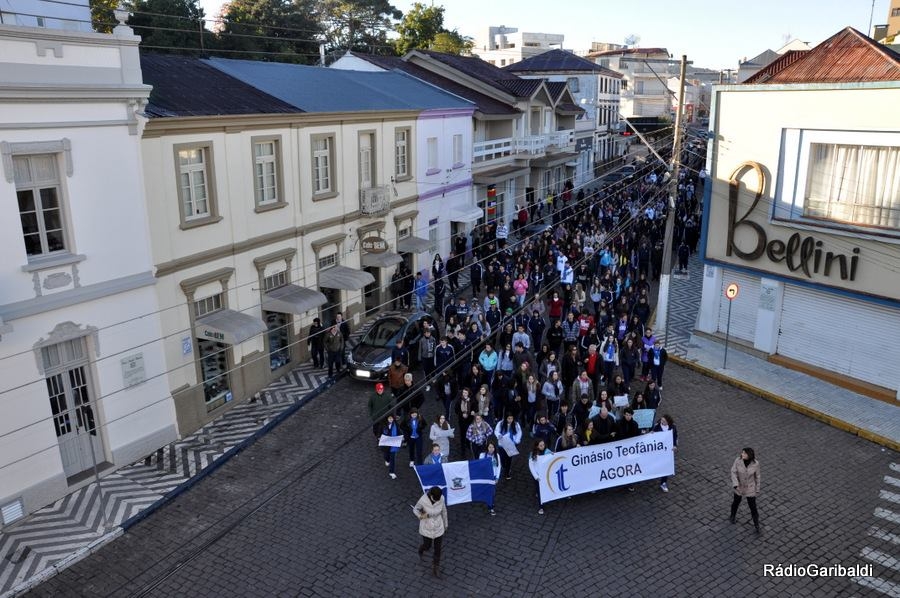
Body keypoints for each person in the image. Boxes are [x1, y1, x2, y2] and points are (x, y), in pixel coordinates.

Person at [415, 486, 449, 578]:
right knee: (427, 546)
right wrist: (422, 516)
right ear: (431, 495)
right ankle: (422, 549)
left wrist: (446, 524)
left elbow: (444, 511)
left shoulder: (441, 498)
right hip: (427, 526)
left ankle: (435, 568)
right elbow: (416, 509)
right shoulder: (423, 500)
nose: (438, 501)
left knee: (438, 549)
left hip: (438, 527)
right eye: (436, 499)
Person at [730, 447, 761, 533]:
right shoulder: (738, 460)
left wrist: (757, 489)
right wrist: (735, 484)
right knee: (736, 502)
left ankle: (756, 524)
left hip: (750, 487)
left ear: (749, 455)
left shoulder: (756, 464)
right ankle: (732, 516)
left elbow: (757, 477)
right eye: (742, 452)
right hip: (739, 486)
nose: (742, 454)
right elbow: (733, 472)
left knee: (753, 506)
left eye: (744, 453)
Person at [651, 414, 677, 493]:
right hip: (658, 451)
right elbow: (652, 437)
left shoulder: (673, 427)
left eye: (664, 421)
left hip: (668, 450)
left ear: (668, 422)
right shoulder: (657, 426)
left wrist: (675, 445)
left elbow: (675, 436)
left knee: (666, 466)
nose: (662, 422)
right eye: (662, 420)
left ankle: (663, 482)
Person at [493, 414, 522, 480]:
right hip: (502, 445)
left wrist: (517, 440)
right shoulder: (500, 423)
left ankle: (507, 473)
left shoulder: (516, 424)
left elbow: (519, 432)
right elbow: (496, 431)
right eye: (509, 418)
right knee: (502, 458)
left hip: (511, 444)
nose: (510, 420)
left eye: (511, 418)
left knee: (509, 459)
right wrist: (499, 435)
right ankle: (504, 467)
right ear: (506, 418)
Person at [528, 439, 552, 515]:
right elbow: (531, 466)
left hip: (545, 475)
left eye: (543, 445)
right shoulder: (533, 454)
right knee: (539, 491)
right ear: (537, 446)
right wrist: (536, 476)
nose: (542, 447)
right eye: (540, 445)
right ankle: (541, 506)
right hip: (537, 476)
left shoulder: (547, 451)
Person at [480, 440, 501, 515]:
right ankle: (491, 507)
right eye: (490, 447)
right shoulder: (482, 455)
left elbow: (498, 467)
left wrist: (497, 477)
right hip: (486, 476)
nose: (491, 449)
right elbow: (480, 467)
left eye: (493, 447)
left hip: (493, 476)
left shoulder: (497, 456)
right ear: (487, 448)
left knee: (492, 492)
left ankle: (490, 503)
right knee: (489, 492)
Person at [381, 414, 401, 479]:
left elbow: (399, 431)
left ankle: (391, 472)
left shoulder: (396, 425)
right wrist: (379, 437)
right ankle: (387, 460)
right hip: (386, 445)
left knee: (393, 459)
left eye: (392, 418)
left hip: (394, 444)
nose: (391, 419)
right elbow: (379, 432)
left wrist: (402, 436)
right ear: (387, 419)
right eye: (389, 418)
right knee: (386, 455)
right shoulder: (383, 425)